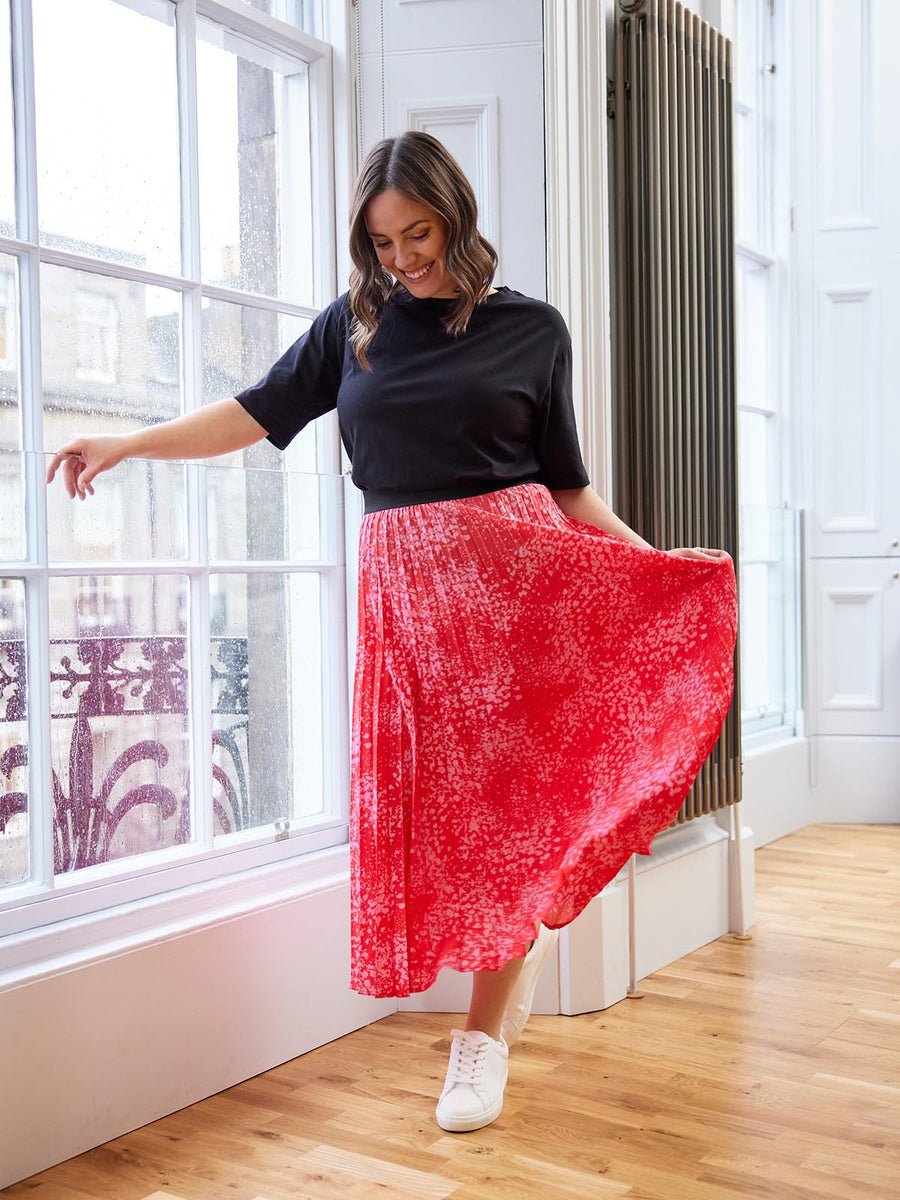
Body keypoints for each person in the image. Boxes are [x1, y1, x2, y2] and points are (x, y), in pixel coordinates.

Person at [46, 129, 737, 1135]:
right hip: (407, 612)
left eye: (419, 233)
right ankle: (512, 961)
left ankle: (482, 1037)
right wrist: (128, 443)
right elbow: (252, 413)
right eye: (382, 242)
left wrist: (656, 569)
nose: (403, 257)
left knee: (504, 819)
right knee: (435, 819)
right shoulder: (355, 328)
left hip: (512, 601)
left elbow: (566, 486)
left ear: (455, 216)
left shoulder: (533, 330)